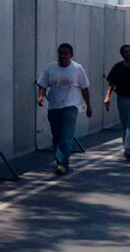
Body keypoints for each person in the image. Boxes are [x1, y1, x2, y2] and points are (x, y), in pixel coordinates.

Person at [37, 43, 92, 175]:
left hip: (71, 105)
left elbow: (84, 88)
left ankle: (62, 162)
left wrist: (88, 105)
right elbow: (43, 84)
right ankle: (61, 160)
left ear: (71, 55)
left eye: (65, 54)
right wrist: (41, 96)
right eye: (60, 54)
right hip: (55, 106)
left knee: (67, 134)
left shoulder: (77, 68)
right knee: (56, 135)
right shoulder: (51, 68)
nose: (62, 56)